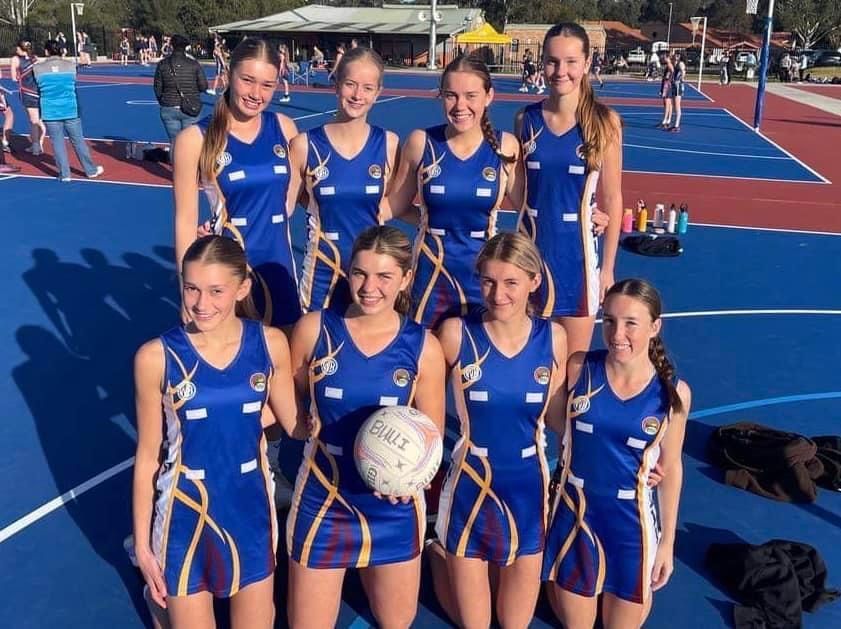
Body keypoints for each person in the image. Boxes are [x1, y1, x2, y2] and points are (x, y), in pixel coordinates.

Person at [132, 234, 304, 628]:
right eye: (191, 288)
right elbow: (147, 460)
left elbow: (295, 424)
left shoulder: (270, 343)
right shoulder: (155, 357)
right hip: (184, 513)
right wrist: (143, 547)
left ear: (242, 288)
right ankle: (160, 604)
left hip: (251, 509)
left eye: (216, 291)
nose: (201, 304)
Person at [285, 225, 445, 628]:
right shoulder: (314, 330)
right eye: (359, 273)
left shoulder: (423, 347)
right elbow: (290, 401)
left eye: (384, 276)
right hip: (325, 499)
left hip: (393, 510)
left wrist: (410, 481)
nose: (369, 287)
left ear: (406, 279)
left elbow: (432, 437)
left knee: (397, 622)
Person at [430, 232, 567, 627]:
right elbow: (420, 405)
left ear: (534, 281)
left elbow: (561, 421)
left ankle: (443, 555)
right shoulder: (456, 334)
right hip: (470, 484)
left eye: (511, 282)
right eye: (488, 281)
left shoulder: (553, 339)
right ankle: (440, 553)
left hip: (528, 489)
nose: (498, 293)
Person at [542, 278, 691, 629]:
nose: (617, 333)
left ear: (655, 327)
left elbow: (672, 471)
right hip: (574, 517)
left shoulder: (673, 394)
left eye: (630, 323)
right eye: (609, 321)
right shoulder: (579, 368)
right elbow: (550, 419)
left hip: (631, 527)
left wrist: (667, 544)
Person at [383, 55, 522, 329]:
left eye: (471, 95)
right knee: (427, 362)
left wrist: (589, 213)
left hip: (485, 278)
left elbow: (530, 209)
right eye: (451, 95)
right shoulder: (421, 142)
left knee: (477, 363)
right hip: (430, 275)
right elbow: (393, 206)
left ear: (489, 96)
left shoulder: (506, 147)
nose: (460, 106)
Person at [173, 37, 300, 330]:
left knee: (285, 362)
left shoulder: (284, 127)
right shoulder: (194, 140)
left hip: (280, 268)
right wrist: (186, 290)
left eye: (267, 85)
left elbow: (302, 195)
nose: (257, 93)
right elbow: (184, 221)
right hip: (225, 273)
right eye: (248, 80)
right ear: (229, 73)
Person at [515, 22, 622, 356]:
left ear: (587, 64)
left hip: (579, 260)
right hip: (531, 258)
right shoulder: (525, 120)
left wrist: (607, 269)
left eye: (571, 61)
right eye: (552, 61)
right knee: (531, 369)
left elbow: (614, 197)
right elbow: (517, 192)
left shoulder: (605, 122)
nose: (561, 70)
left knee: (572, 371)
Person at [289, 46, 399, 314]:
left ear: (378, 93)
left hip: (371, 272)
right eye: (350, 84)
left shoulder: (389, 144)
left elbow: (395, 203)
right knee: (314, 347)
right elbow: (284, 205)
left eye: (367, 88)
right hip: (321, 270)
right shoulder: (304, 145)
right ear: (336, 85)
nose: (358, 95)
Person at [32, 40, 104, 182]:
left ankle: (64, 174)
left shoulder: (38, 68)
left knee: (57, 143)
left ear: (46, 51)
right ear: (61, 51)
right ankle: (90, 170)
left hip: (50, 110)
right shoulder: (71, 66)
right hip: (70, 109)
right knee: (78, 141)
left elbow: (36, 86)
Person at [153, 34, 208, 150]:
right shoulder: (193, 64)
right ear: (185, 47)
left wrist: (163, 101)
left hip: (169, 106)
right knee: (190, 144)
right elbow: (203, 86)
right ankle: (189, 166)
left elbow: (157, 88)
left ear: (172, 46)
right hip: (190, 106)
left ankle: (176, 166)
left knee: (174, 142)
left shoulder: (163, 64)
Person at [10, 40, 45, 155]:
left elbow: (14, 78)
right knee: (38, 120)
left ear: (21, 48)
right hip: (38, 92)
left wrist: (21, 76)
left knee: (34, 121)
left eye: (17, 48)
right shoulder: (35, 58)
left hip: (27, 93)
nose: (16, 50)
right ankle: (39, 143)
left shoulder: (15, 59)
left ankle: (36, 147)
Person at [669, 54, 685, 132]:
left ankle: (677, 125)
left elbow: (683, 72)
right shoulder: (674, 63)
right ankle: (675, 124)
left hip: (678, 86)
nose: (675, 57)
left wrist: (679, 79)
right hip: (675, 85)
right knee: (674, 105)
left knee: (677, 105)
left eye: (677, 55)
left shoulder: (681, 64)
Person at [659, 54, 674, 128]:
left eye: (665, 58)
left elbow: (673, 73)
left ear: (668, 58)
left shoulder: (670, 66)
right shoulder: (668, 66)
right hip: (666, 85)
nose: (664, 59)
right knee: (668, 103)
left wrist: (669, 79)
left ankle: (665, 120)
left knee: (667, 103)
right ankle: (668, 120)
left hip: (667, 86)